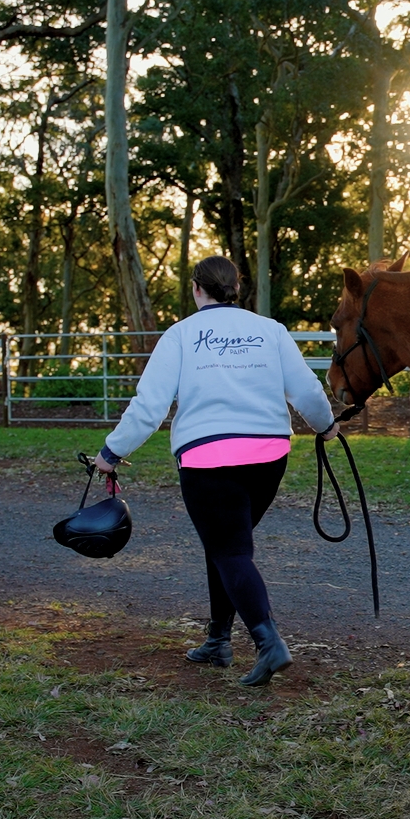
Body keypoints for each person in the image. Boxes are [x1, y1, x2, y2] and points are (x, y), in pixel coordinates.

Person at [93, 256, 339, 687]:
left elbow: (150, 408)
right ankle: (218, 640)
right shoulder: (271, 331)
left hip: (208, 459)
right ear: (236, 289)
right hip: (268, 458)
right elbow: (306, 389)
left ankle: (269, 644)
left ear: (196, 289)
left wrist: (111, 453)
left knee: (229, 551)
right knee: (225, 544)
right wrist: (327, 425)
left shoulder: (181, 336)